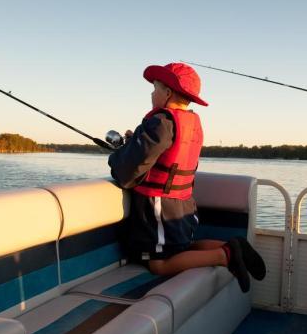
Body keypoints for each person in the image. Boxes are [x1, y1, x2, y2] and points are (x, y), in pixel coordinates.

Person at [108, 62, 266, 293]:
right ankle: (233, 245)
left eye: (155, 88)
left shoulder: (162, 122)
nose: (152, 93)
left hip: (159, 206)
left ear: (168, 93)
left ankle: (226, 254)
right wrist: (137, 140)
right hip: (182, 203)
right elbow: (162, 152)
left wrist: (118, 156)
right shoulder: (190, 121)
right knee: (184, 248)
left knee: (159, 264)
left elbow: (130, 169)